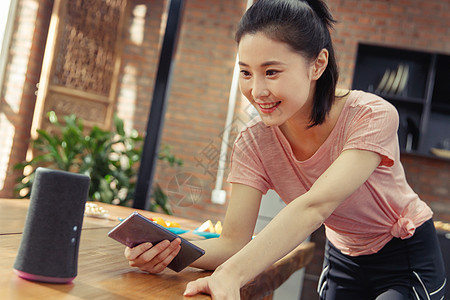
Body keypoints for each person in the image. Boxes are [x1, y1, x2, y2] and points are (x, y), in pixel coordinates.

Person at [124, 0, 447, 299]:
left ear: (318, 64)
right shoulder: (253, 141)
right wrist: (168, 251)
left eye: (272, 71)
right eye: (246, 72)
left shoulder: (371, 116)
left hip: (404, 254)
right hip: (344, 256)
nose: (257, 90)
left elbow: (315, 206)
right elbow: (233, 241)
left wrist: (231, 274)